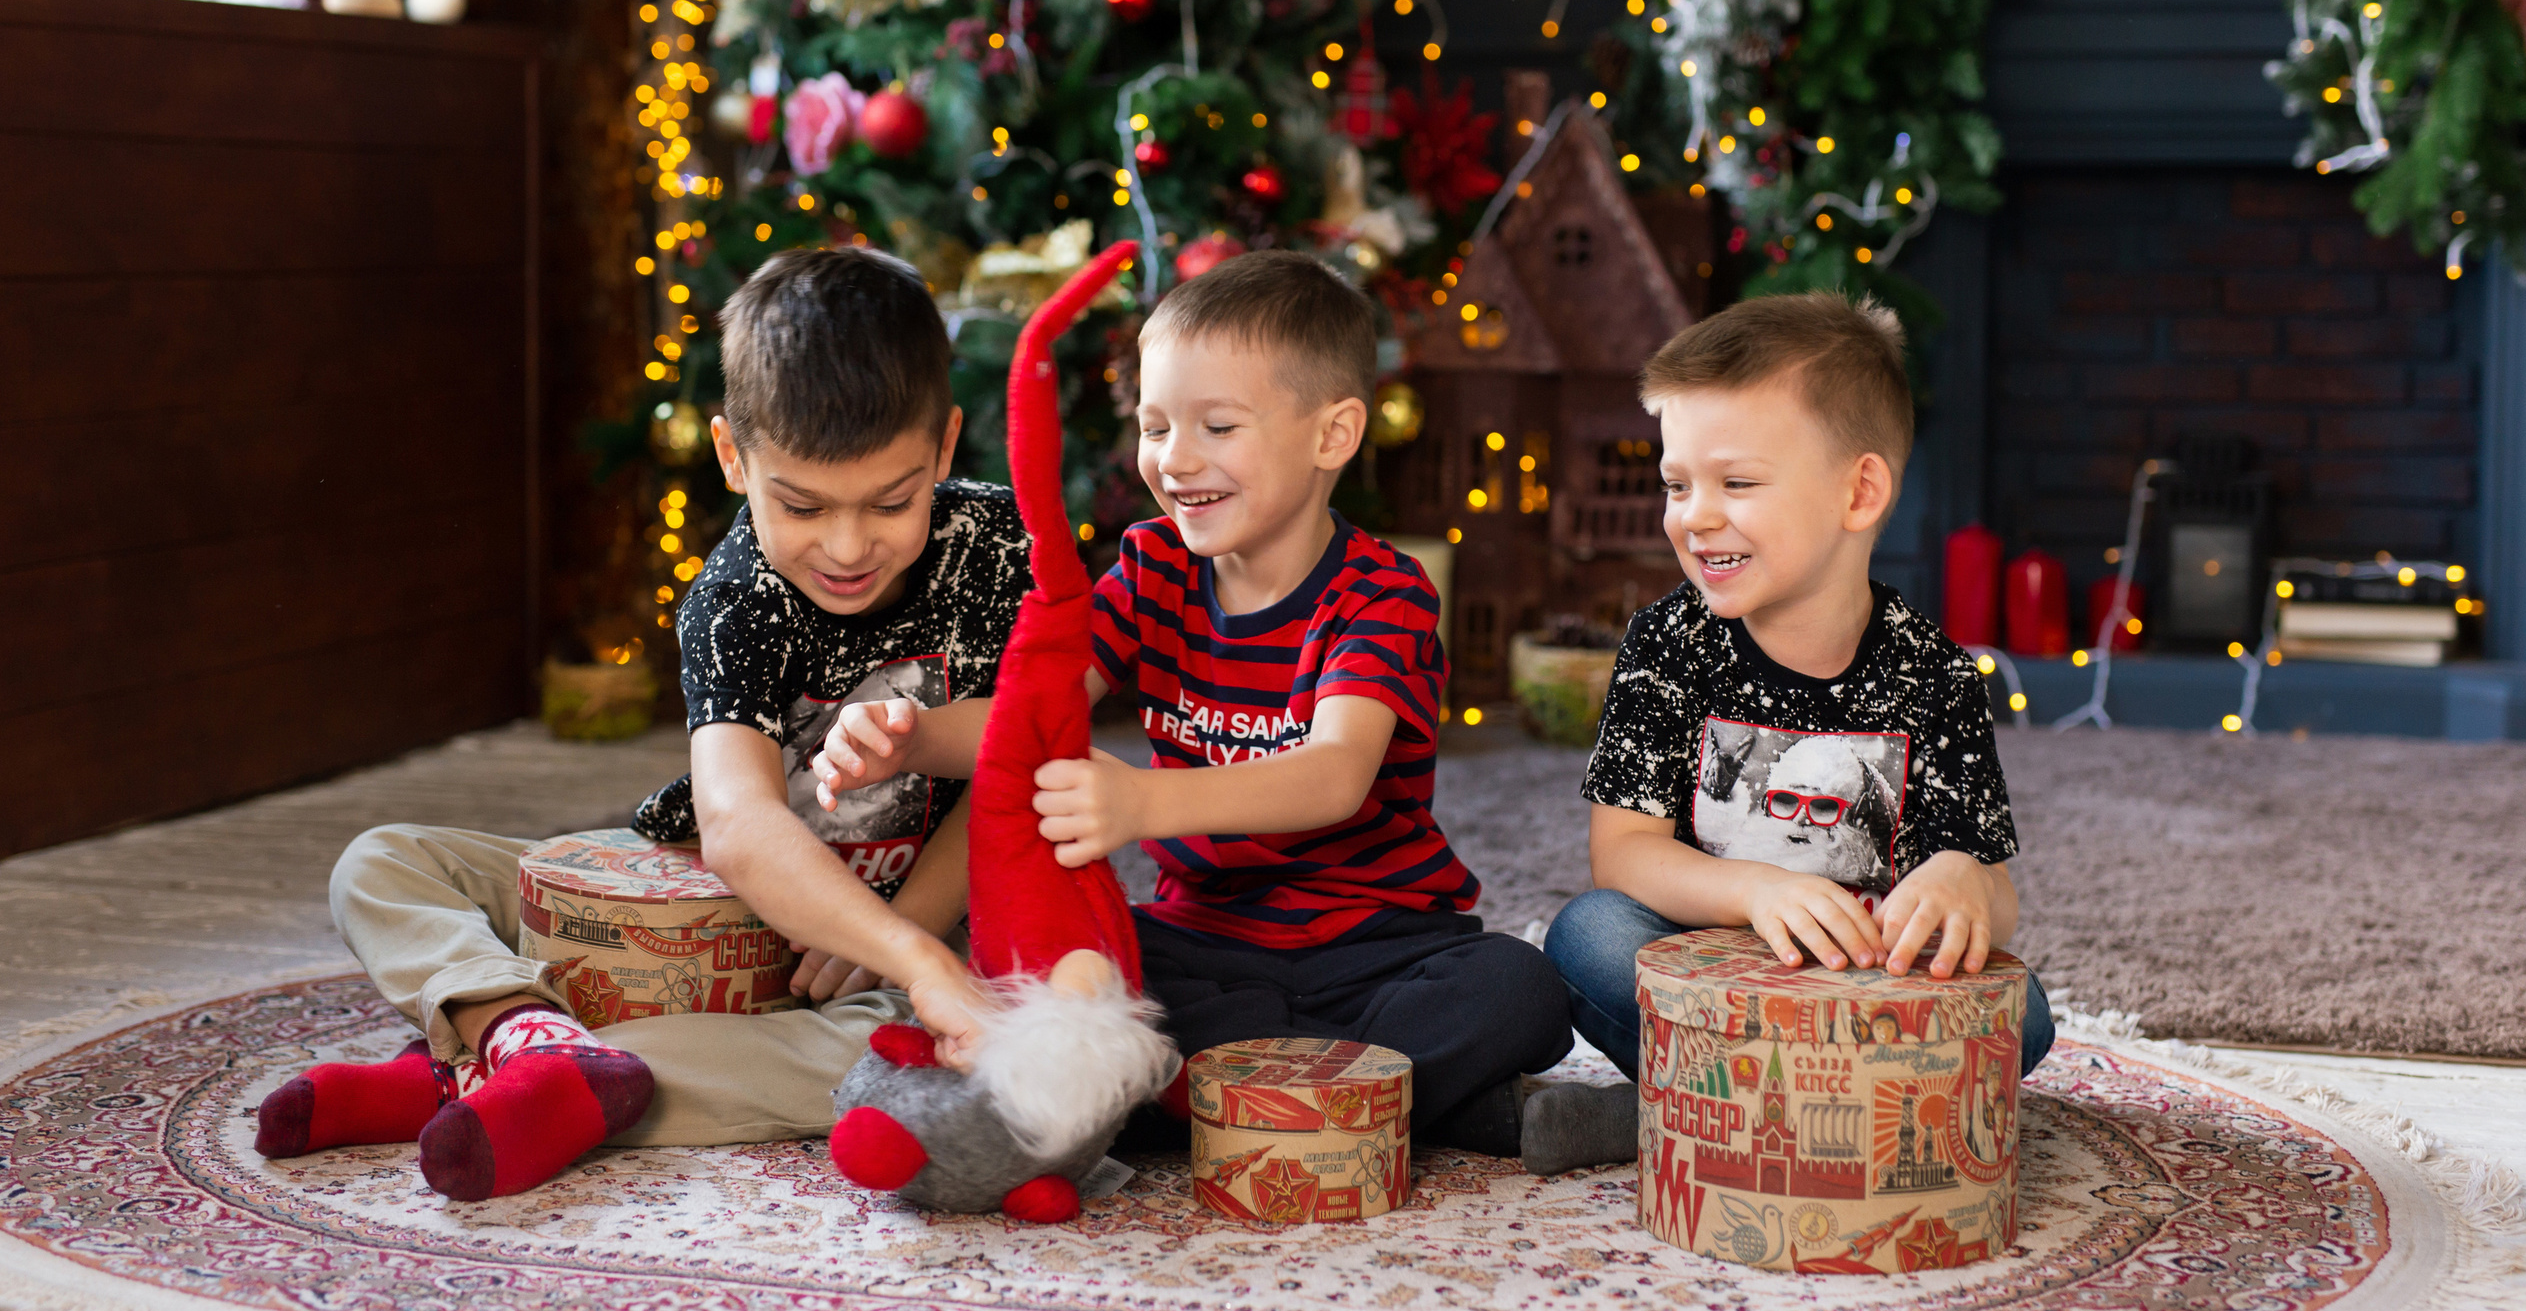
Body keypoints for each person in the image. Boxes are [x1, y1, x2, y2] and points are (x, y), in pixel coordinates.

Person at [253, 247, 1027, 1199]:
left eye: (892, 501)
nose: (848, 544)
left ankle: (466, 1078)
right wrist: (905, 952)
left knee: (908, 1042)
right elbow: (740, 828)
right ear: (734, 458)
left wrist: (904, 938)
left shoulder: (1002, 547)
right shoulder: (735, 597)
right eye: (802, 504)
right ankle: (516, 1039)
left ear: (945, 448)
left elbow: (1028, 761)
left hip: (885, 935)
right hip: (706, 889)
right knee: (381, 863)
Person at [824, 250, 1576, 1160]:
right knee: (1048, 974)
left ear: (1333, 434)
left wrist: (1146, 802)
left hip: (1376, 946)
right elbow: (1034, 720)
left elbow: (1334, 776)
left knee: (1519, 987)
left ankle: (1205, 1105)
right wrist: (911, 739)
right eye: (1154, 426)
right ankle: (1390, 1108)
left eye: (1216, 426)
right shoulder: (1153, 568)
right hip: (1203, 943)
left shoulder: (1384, 593)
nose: (1174, 460)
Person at [1533, 292, 2055, 1175]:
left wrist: (1964, 879)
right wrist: (1756, 891)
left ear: (1859, 492)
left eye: (1735, 483)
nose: (1693, 515)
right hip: (1710, 963)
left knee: (2024, 1012)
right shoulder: (1670, 642)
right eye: (1676, 483)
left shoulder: (1933, 671)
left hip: (1858, 992)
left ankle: (1675, 1112)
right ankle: (1837, 1117)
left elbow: (1991, 895)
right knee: (1586, 935)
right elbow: (1621, 854)